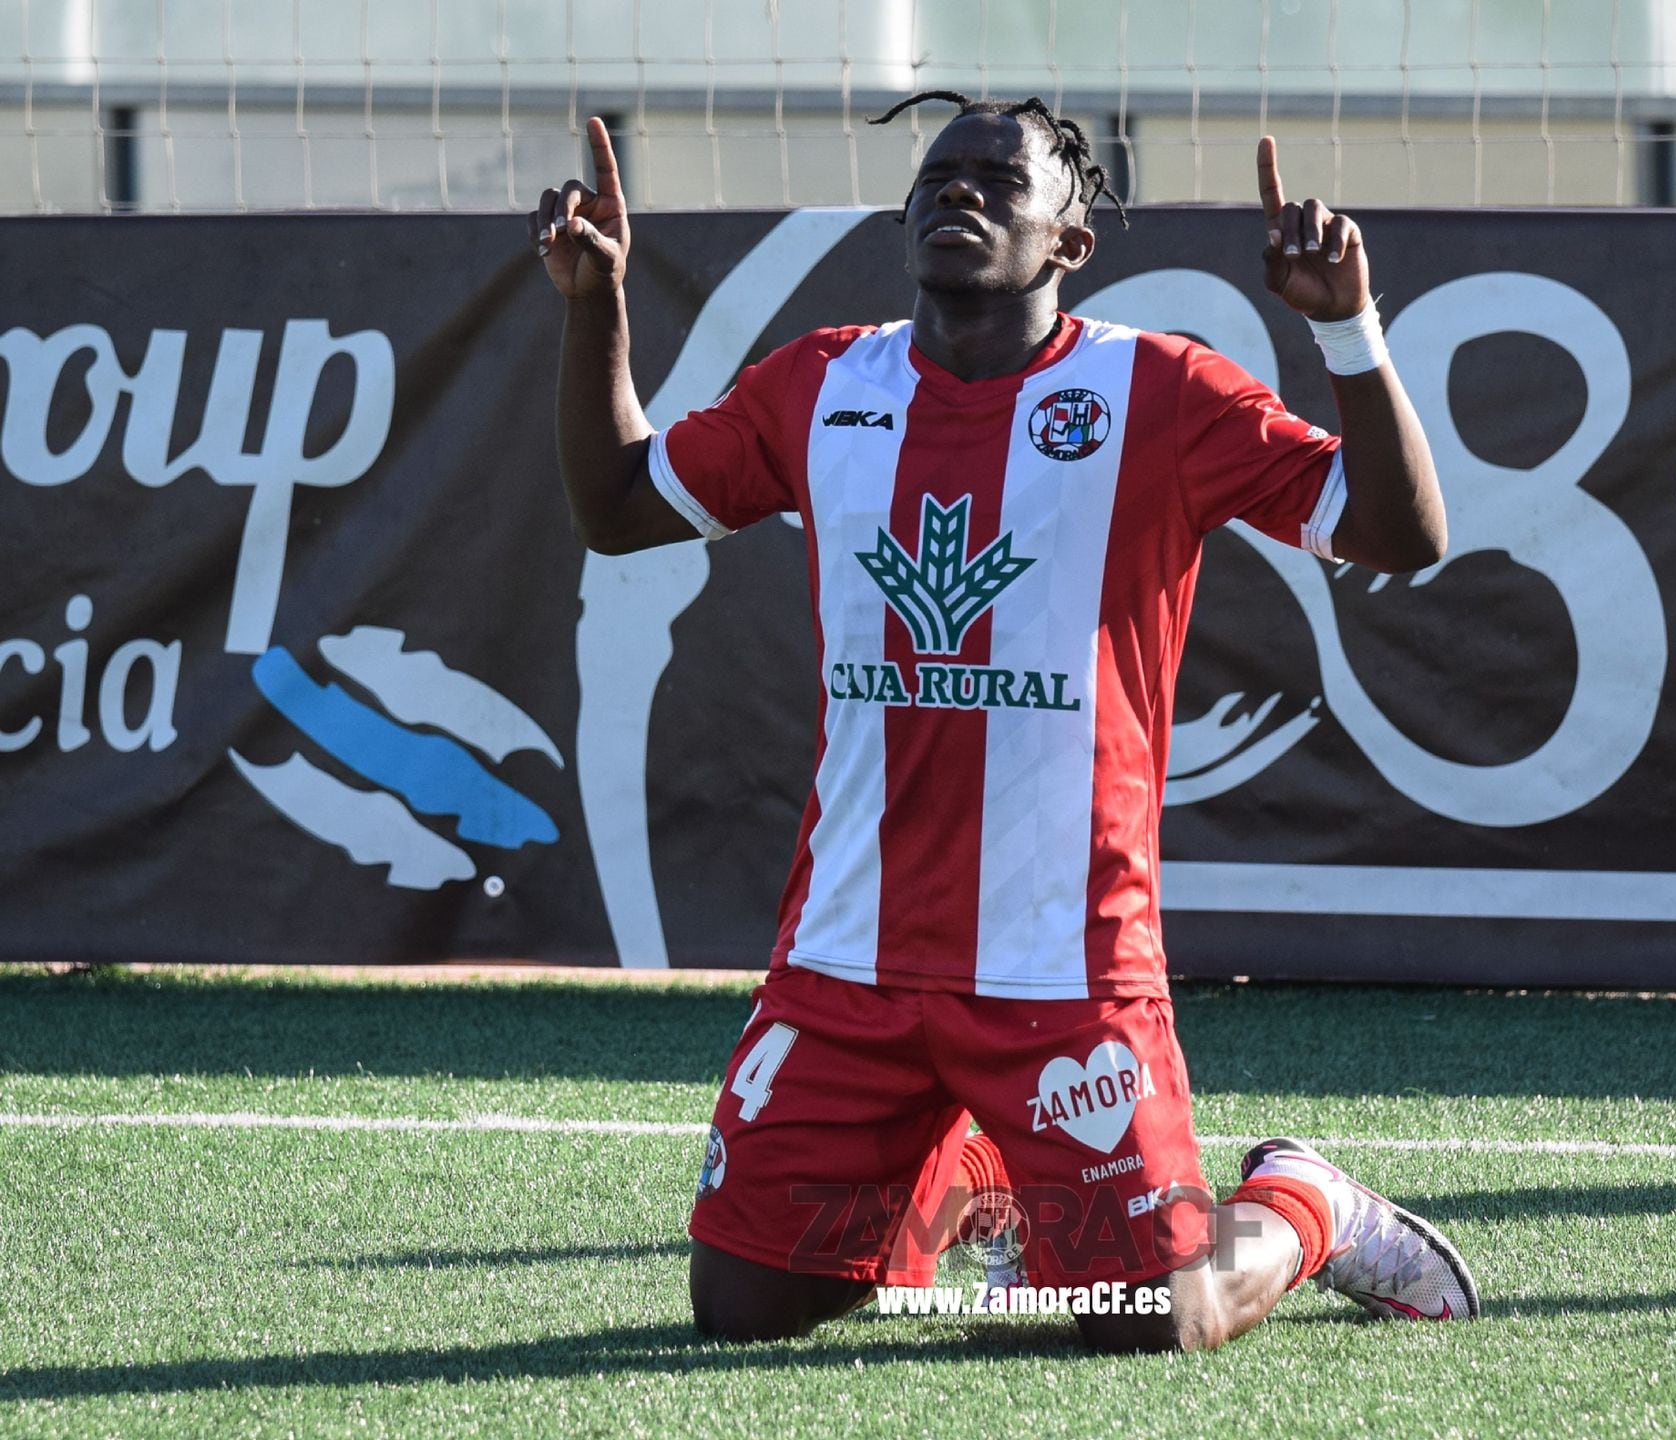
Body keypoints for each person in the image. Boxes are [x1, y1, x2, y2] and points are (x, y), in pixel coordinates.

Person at [531, 92, 1474, 1353]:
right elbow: (616, 505)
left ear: (1067, 243)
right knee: (741, 1311)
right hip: (847, 956)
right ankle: (986, 1180)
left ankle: (1300, 1204)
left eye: (996, 178)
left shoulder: (1159, 391)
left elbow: (1399, 534)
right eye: (936, 175)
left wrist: (1348, 333)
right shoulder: (822, 384)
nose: (956, 192)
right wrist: (595, 301)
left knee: (1142, 1321)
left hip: (1063, 965)